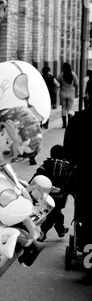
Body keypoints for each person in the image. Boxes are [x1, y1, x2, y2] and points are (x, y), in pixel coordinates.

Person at [63, 80, 92, 251]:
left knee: (86, 216)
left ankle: (87, 251)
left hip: (85, 178)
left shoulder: (77, 120)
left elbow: (68, 153)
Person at [30, 144, 70, 242]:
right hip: (60, 197)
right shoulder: (67, 168)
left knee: (54, 214)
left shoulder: (45, 166)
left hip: (46, 196)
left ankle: (60, 229)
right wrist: (62, 190)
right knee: (54, 215)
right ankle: (43, 233)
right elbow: (70, 183)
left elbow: (36, 178)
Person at [58, 62, 79, 128]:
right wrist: (76, 92)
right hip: (71, 93)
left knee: (63, 108)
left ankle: (64, 124)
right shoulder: (73, 75)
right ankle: (69, 122)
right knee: (69, 109)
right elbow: (77, 84)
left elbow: (58, 84)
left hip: (63, 93)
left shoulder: (61, 75)